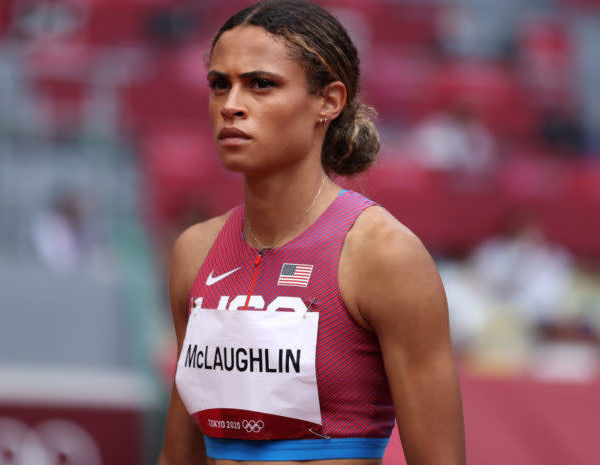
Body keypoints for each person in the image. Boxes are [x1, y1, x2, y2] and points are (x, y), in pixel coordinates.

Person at [157, 1, 466, 464]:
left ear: (329, 101)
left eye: (261, 84)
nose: (232, 106)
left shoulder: (383, 254)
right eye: (220, 85)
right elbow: (180, 456)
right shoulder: (194, 252)